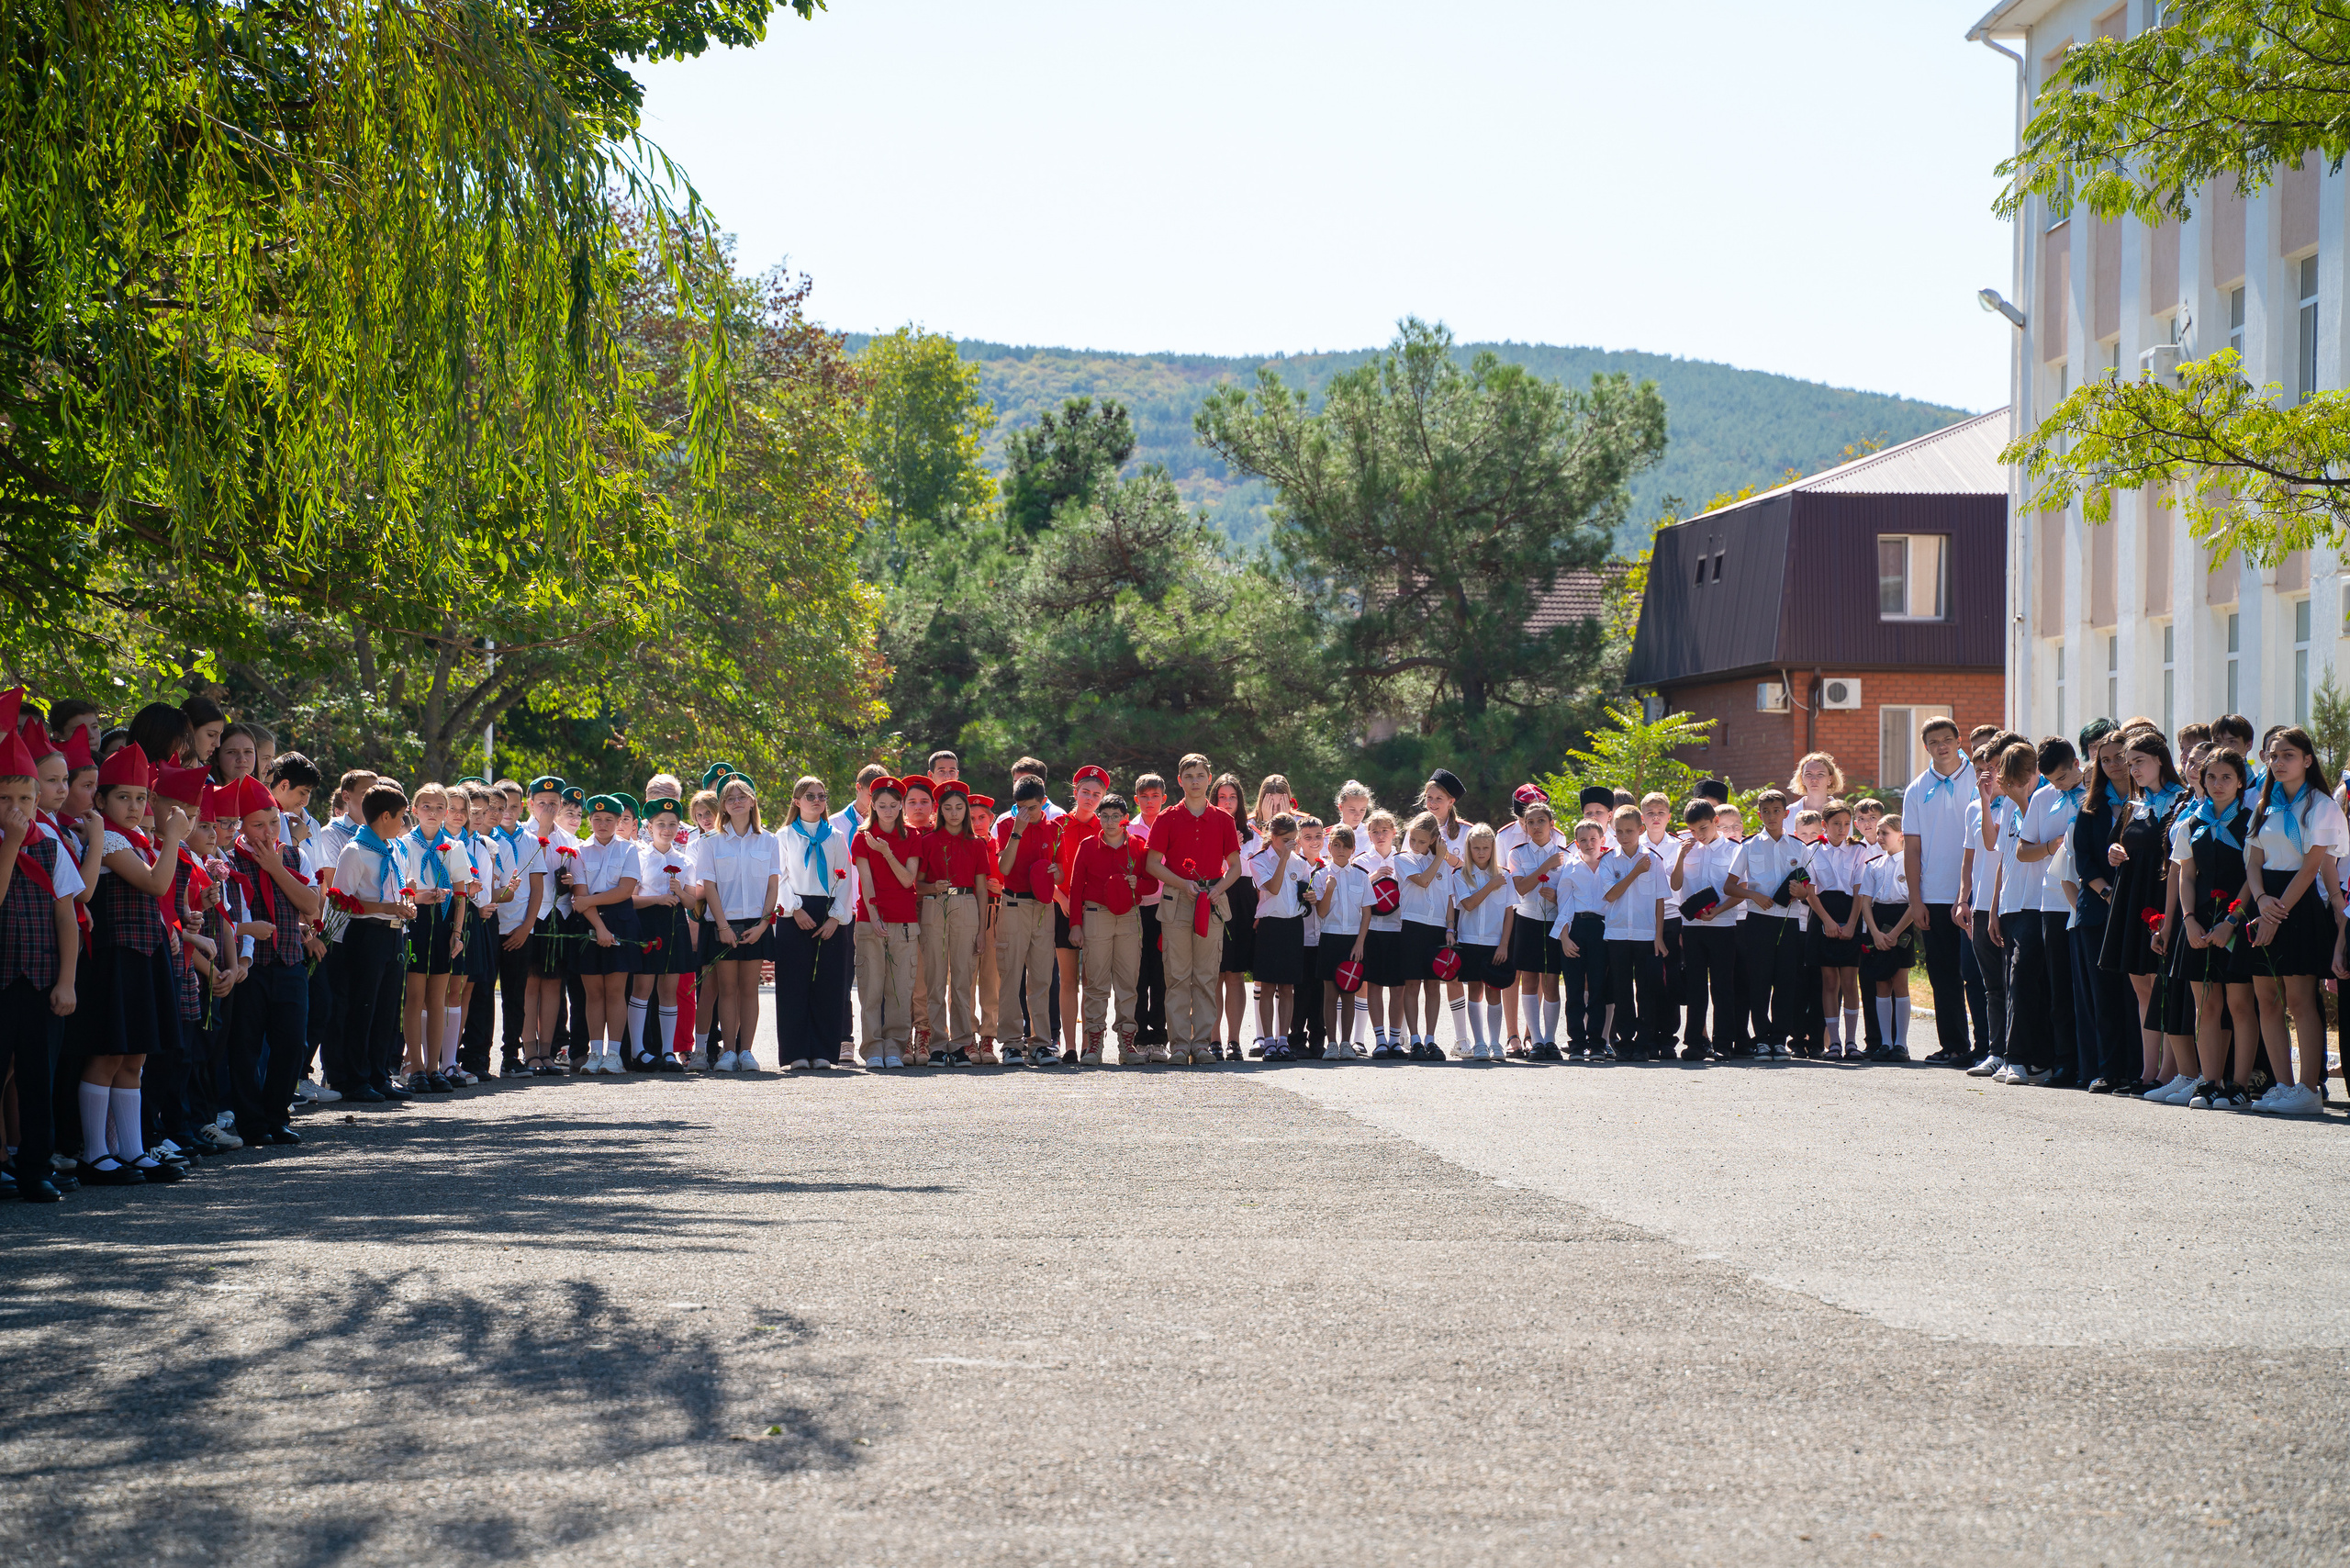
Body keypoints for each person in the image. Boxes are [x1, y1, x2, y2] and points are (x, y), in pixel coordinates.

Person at [77, 744, 187, 1186]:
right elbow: (157, 883)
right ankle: (94, 1153)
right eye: (123, 796)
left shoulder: (138, 840)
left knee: (134, 1057)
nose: (135, 806)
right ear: (100, 800)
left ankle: (132, 1150)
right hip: (114, 958)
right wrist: (175, 837)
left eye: (142, 797)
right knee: (108, 1053)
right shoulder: (109, 840)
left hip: (143, 958)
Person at [0, 725, 84, 1202]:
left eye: (25, 799)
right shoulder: (7, 843)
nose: (17, 809)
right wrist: (10, 845)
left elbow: (66, 918)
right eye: (5, 798)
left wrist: (67, 982)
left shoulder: (52, 846)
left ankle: (36, 1168)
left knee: (38, 1078)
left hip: (41, 980)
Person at [2242, 725, 2340, 1114]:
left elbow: (2313, 864)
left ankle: (2308, 1088)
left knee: (2300, 999)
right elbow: (2252, 860)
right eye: (2273, 756)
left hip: (2296, 905)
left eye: (2288, 755)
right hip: (2267, 899)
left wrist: (2276, 912)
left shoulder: (2320, 804)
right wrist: (2262, 899)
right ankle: (2283, 1086)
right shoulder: (2264, 803)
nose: (2278, 762)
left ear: (2307, 760)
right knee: (2267, 998)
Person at [225, 768, 323, 1143]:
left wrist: (276, 868)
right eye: (257, 825)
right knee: (246, 1047)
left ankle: (276, 1115)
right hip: (251, 967)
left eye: (272, 824)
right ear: (241, 826)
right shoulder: (230, 861)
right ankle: (250, 1122)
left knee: (290, 1041)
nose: (268, 833)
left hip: (288, 962)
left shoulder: (293, 857)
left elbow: (311, 907)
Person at [2169, 747, 2262, 1107]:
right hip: (2199, 922)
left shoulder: (2253, 820)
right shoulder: (2191, 823)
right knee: (2205, 1005)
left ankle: (2239, 1086)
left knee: (2240, 1005)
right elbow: (2186, 876)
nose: (2218, 784)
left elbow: (2251, 878)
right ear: (2202, 781)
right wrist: (2189, 920)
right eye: (2211, 777)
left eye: (2227, 777)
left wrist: (2231, 922)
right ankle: (2210, 1082)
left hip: (2238, 920)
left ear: (2241, 781)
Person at [1144, 754, 1243, 1067]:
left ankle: (1201, 1044)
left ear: (1209, 779)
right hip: (1177, 900)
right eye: (1189, 776)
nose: (1195, 781)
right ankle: (1178, 1045)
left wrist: (1218, 889)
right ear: (1180, 781)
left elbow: (1236, 867)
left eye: (1201, 775)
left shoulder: (1224, 820)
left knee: (1205, 976)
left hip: (1211, 902)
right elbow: (1151, 864)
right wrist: (1182, 883)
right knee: (1176, 976)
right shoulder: (1167, 818)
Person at [1900, 717, 1975, 1064]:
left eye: (1948, 739)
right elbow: (1911, 848)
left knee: (1977, 974)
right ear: (1925, 746)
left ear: (1960, 741)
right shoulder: (1916, 789)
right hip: (1934, 894)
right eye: (1934, 741)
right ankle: (1954, 1045)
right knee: (1943, 976)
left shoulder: (1979, 778)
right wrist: (1916, 900)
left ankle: (1990, 1045)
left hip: (1976, 892)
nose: (1942, 746)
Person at [693, 775, 778, 1072]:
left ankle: (747, 1052)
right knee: (727, 989)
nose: (737, 802)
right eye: (730, 798)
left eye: (742, 796)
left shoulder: (769, 840)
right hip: (724, 923)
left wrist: (764, 925)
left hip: (756, 924)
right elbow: (710, 886)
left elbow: (772, 886)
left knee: (749, 989)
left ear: (752, 801)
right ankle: (728, 1052)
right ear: (724, 807)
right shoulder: (710, 842)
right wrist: (723, 926)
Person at [1724, 789, 1817, 1059]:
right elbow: (1729, 886)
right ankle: (1762, 1038)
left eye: (1777, 811)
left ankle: (1779, 1039)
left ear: (1786, 814)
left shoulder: (1798, 847)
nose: (1772, 816)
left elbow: (1808, 888)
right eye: (1766, 811)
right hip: (1758, 921)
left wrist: (1802, 893)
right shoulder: (1749, 846)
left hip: (1788, 922)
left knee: (1786, 981)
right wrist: (1753, 894)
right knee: (1759, 981)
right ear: (1759, 814)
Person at [775, 777, 855, 1072]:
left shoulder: (835, 836)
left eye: (822, 795)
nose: (817, 801)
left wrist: (836, 917)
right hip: (794, 911)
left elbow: (846, 877)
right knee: (793, 984)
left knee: (828, 984)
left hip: (828, 911)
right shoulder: (783, 836)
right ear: (796, 801)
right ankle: (795, 1051)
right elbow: (779, 876)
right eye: (810, 796)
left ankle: (823, 1051)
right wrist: (795, 910)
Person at [1069, 792, 1150, 1062]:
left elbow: (1152, 883)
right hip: (1096, 915)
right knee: (1096, 981)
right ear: (1098, 817)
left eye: (1116, 816)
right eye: (1105, 816)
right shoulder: (1088, 845)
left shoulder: (1138, 845)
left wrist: (1136, 883)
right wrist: (1076, 925)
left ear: (1125, 819)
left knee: (1128, 982)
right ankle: (1094, 1044)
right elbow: (1075, 887)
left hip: (1129, 915)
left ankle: (1127, 1045)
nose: (1110, 821)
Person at [567, 794, 642, 1077]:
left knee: (615, 991)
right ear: (590, 820)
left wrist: (589, 905)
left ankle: (614, 1054)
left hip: (620, 921)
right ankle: (595, 1052)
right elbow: (580, 895)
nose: (602, 824)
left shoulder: (627, 850)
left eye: (609, 819)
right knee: (593, 992)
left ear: (619, 821)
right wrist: (599, 927)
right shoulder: (579, 851)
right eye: (597, 819)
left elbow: (625, 890)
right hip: (589, 923)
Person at [853, 778, 923, 1068]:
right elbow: (865, 881)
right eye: (882, 805)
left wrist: (886, 852)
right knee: (871, 989)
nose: (888, 811)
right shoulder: (861, 837)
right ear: (872, 805)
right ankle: (872, 1049)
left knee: (899, 990)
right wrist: (875, 915)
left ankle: (894, 1047)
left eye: (894, 805)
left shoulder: (913, 836)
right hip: (871, 922)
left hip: (904, 922)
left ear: (901, 806)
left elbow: (908, 879)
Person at [917, 781, 990, 1065]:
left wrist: (982, 930)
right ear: (940, 811)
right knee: (935, 979)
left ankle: (960, 1044)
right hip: (936, 905)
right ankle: (937, 1044)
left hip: (966, 905)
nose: (954, 813)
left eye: (960, 807)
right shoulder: (928, 842)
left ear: (967, 810)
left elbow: (982, 889)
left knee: (962, 980)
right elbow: (918, 885)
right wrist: (934, 886)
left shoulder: (976, 844)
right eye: (948, 808)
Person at [1670, 798, 1746, 1059]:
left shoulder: (1734, 850)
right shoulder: (1687, 849)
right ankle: (1695, 1042)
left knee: (1723, 986)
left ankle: (1724, 1043)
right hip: (1692, 927)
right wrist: (1681, 856)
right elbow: (1676, 885)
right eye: (1692, 830)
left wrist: (1718, 911)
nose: (1698, 835)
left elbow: (1741, 892)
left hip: (1723, 925)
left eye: (1703, 828)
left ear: (1716, 822)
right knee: (1695, 986)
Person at [626, 796, 697, 1072]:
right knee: (642, 987)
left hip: (675, 924)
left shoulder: (685, 861)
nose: (666, 829)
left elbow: (691, 904)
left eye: (672, 824)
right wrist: (656, 899)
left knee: (669, 989)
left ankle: (668, 1051)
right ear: (649, 827)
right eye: (660, 824)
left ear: (679, 828)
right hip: (647, 923)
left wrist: (679, 892)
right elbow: (630, 899)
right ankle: (638, 1050)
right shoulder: (639, 857)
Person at [994, 776, 1061, 1067]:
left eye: (1031, 808)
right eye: (1020, 807)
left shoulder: (1056, 829)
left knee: (1042, 978)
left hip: (1043, 908)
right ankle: (1010, 1043)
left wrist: (1056, 871)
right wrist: (1018, 832)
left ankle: (1042, 1043)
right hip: (1013, 904)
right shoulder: (1007, 826)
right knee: (1010, 976)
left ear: (1043, 802)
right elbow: (1003, 868)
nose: (1025, 813)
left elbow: (1059, 875)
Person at [1598, 804, 1669, 1059]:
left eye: (1630, 830)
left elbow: (1661, 900)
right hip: (1617, 936)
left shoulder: (1654, 859)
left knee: (1647, 990)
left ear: (1641, 829)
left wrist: (1659, 936)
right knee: (1621, 990)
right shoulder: (1607, 861)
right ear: (1612, 831)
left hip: (1646, 935)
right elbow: (1611, 894)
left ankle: (1645, 1042)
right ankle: (1625, 1042)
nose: (1624, 836)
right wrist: (1636, 871)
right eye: (1619, 831)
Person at [1051, 766, 1111, 1061]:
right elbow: (1045, 869)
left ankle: (1091, 1043)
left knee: (1092, 980)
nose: (1090, 798)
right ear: (1075, 792)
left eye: (1096, 794)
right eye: (1085, 792)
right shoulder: (1057, 825)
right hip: (1061, 906)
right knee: (1067, 979)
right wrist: (1060, 898)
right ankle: (1069, 1046)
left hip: (1093, 910)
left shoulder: (1105, 828)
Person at [1244, 810, 1312, 1059]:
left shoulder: (1302, 863)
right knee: (1268, 984)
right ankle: (1268, 1041)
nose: (1290, 845)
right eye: (1286, 840)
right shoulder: (1259, 860)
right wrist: (1284, 857)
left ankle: (1283, 1040)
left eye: (1293, 840)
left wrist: (1310, 898)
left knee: (1287, 987)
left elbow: (1303, 895)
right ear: (1272, 836)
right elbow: (1271, 889)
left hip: (1292, 926)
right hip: (1270, 926)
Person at [1507, 801, 1569, 1057]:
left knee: (1551, 980)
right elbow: (1520, 888)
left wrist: (1556, 898)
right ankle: (1536, 1040)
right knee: (1529, 980)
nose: (1535, 826)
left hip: (1554, 922)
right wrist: (1544, 867)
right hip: (1527, 919)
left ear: (1551, 824)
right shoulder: (1518, 854)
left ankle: (1550, 1038)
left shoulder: (1566, 855)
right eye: (1530, 822)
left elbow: (1571, 894)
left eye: (1541, 821)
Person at [1856, 816, 1919, 1060]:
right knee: (1881, 983)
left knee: (1899, 981)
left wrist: (1894, 933)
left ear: (1901, 835)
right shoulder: (1873, 865)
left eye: (1885, 833)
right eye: (1879, 833)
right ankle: (1884, 1042)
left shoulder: (1911, 864)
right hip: (1878, 923)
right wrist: (1874, 932)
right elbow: (1865, 902)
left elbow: (1915, 902)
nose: (1879, 838)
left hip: (1902, 920)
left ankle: (1900, 1044)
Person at [1449, 823, 1515, 1061]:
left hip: (1495, 942)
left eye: (1486, 848)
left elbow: (1509, 912)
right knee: (1475, 990)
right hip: (1469, 940)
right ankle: (1478, 1043)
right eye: (1476, 848)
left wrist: (1504, 945)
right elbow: (1468, 904)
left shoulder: (1504, 875)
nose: (1481, 853)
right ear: (1469, 848)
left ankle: (1496, 1043)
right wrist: (1490, 885)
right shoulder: (1461, 875)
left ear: (1493, 848)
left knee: (1494, 992)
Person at [1807, 801, 1866, 1060]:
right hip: (1823, 914)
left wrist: (1853, 923)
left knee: (1850, 982)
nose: (1842, 829)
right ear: (1824, 825)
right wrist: (1827, 923)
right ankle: (1834, 1042)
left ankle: (1852, 1042)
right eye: (1836, 824)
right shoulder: (1812, 851)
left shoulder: (1859, 850)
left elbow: (1859, 889)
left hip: (1850, 913)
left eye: (1846, 823)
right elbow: (1810, 891)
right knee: (1829, 982)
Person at [1392, 812, 1451, 1059]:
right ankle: (1414, 1039)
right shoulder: (1403, 859)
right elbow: (1424, 881)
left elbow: (1449, 897)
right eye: (1412, 839)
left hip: (1437, 927)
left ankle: (1431, 1038)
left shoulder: (1444, 864)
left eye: (1422, 842)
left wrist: (1450, 928)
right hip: (1413, 926)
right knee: (1412, 984)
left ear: (1435, 839)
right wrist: (1439, 857)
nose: (1416, 846)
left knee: (1433, 985)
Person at [1313, 824, 1372, 1058]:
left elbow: (1366, 913)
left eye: (1346, 846)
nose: (1340, 850)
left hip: (1352, 942)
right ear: (1329, 847)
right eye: (1336, 845)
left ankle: (1347, 1043)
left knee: (1349, 991)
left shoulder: (1361, 875)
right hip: (1329, 938)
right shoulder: (1320, 875)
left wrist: (1360, 944)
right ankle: (1332, 1043)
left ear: (1353, 849)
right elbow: (1321, 912)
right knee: (1330, 994)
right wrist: (1328, 890)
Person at [1214, 774, 1261, 1061]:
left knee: (1235, 974)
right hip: (1216, 895)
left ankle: (1234, 1041)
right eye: (1222, 797)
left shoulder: (1253, 834)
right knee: (1214, 974)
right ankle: (1213, 1040)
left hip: (1243, 899)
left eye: (1232, 797)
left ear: (1240, 801)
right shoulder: (1206, 825)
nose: (1227, 803)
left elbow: (1258, 877)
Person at [1131, 772, 1169, 1051]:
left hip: (1166, 907)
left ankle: (1159, 1037)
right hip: (1137, 909)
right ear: (1136, 799)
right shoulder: (1129, 830)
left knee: (1162, 975)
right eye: (1144, 797)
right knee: (1138, 975)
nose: (1149, 801)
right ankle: (1140, 1036)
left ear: (1164, 799)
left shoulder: (1171, 824)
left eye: (1155, 796)